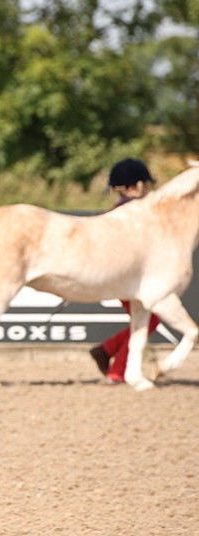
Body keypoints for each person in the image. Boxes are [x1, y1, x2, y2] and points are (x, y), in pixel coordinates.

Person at [88, 158, 160, 385]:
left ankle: (107, 351)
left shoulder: (118, 209)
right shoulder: (132, 211)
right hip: (128, 278)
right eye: (145, 185)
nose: (148, 189)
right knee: (148, 321)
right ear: (135, 186)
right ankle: (117, 369)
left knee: (146, 321)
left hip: (122, 276)